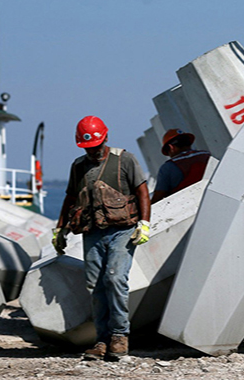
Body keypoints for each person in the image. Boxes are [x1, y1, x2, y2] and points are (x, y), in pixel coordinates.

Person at [52, 115, 151, 361]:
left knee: (115, 278)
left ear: (105, 138)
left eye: (96, 146)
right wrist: (60, 229)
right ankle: (102, 340)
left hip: (122, 230)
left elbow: (142, 192)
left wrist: (145, 224)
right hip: (93, 232)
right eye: (88, 148)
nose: (93, 151)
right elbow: (71, 198)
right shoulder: (78, 166)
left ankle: (120, 336)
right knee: (95, 285)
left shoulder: (125, 160)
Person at [150, 129, 212, 204]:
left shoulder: (168, 167)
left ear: (171, 147)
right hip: (212, 196)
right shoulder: (207, 155)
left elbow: (159, 196)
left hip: (189, 206)